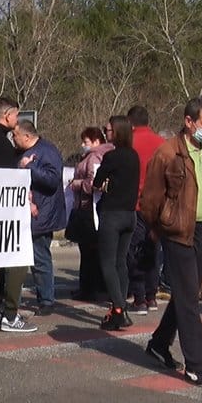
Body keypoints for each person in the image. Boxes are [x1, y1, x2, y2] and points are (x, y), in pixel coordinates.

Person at [140, 96, 202, 388]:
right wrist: (157, 228)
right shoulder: (167, 153)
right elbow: (150, 199)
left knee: (188, 292)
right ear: (188, 122)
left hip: (201, 230)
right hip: (177, 231)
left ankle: (159, 343)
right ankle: (196, 366)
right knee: (189, 298)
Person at [0, 97, 36, 332]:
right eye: (16, 116)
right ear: (8, 115)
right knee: (16, 260)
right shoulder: (1, 145)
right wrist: (21, 170)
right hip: (5, 211)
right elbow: (6, 180)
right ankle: (10, 315)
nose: (17, 121)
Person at [11, 120, 66, 316]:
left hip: (41, 214)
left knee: (39, 258)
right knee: (19, 258)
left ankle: (46, 300)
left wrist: (30, 168)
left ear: (27, 136)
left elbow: (52, 180)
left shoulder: (47, 152)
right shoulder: (21, 153)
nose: (13, 138)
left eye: (15, 135)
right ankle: (13, 299)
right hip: (25, 211)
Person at [94, 116, 141, 331]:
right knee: (121, 262)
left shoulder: (112, 156)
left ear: (118, 132)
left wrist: (105, 184)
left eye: (108, 129)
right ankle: (120, 308)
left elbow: (96, 182)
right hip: (129, 215)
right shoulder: (134, 156)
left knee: (107, 263)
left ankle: (119, 309)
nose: (106, 133)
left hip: (112, 214)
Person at [125, 105, 166, 315]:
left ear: (130, 123)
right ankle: (151, 296)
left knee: (134, 250)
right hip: (158, 205)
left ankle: (139, 298)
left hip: (136, 203)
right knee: (152, 249)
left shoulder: (129, 143)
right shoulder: (162, 144)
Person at [68, 126, 114, 302]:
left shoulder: (96, 156)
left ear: (96, 141)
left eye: (86, 141)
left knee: (91, 252)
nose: (83, 145)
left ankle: (92, 288)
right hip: (84, 207)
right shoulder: (88, 156)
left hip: (90, 208)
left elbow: (94, 182)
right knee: (86, 251)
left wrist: (77, 184)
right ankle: (85, 287)